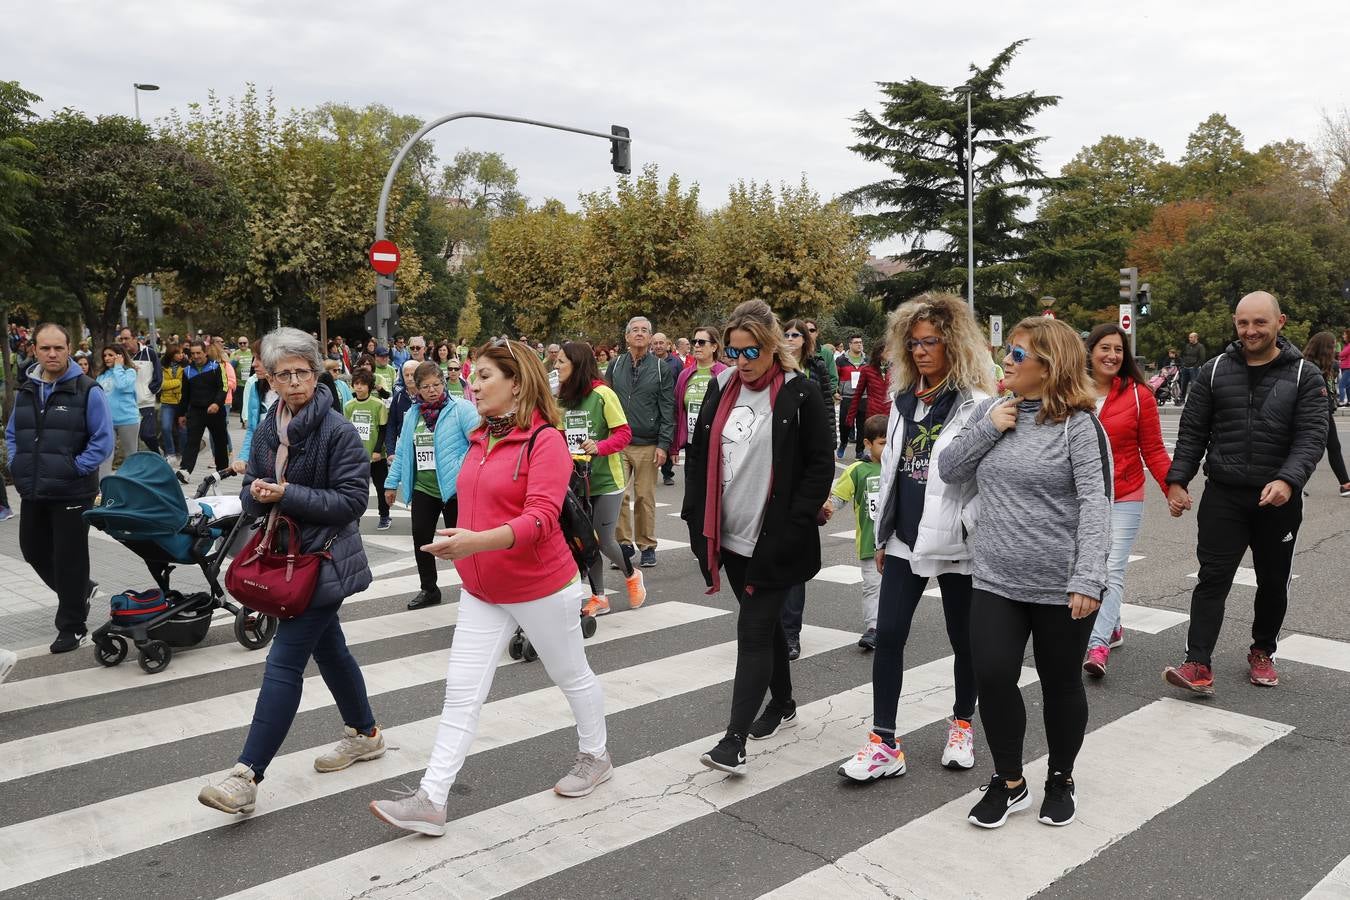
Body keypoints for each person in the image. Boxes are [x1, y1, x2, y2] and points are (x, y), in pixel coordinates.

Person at [369, 338, 612, 836]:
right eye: (470, 376)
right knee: (461, 694)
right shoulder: (479, 437)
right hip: (483, 590)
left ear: (516, 383)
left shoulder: (545, 441)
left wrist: (477, 542)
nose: (471, 384)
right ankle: (431, 799)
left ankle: (595, 755)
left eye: (483, 376)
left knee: (570, 675)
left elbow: (543, 519)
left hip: (542, 586)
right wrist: (466, 545)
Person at [197, 327, 383, 815]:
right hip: (283, 556)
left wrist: (287, 496)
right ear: (271, 380)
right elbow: (251, 490)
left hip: (323, 559)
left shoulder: (337, 431)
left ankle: (246, 774)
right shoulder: (266, 427)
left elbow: (351, 502)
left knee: (284, 662)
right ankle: (365, 732)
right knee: (332, 650)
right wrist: (254, 498)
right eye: (285, 374)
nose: (295, 382)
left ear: (316, 374)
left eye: (303, 372)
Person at [938, 315, 1111, 828]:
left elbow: (1095, 503)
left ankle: (1061, 777)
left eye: (1016, 355)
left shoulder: (1080, 423)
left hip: (1060, 585)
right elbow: (949, 469)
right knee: (992, 676)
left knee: (1061, 685)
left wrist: (1088, 578)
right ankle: (1010, 781)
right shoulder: (993, 410)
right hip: (994, 576)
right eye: (1006, 351)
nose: (1005, 362)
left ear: (1048, 366)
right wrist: (988, 431)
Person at [839, 293, 995, 784]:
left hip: (955, 543)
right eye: (914, 343)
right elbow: (890, 470)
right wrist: (883, 533)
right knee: (889, 636)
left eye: (931, 341)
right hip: (906, 538)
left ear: (954, 344)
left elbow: (983, 479)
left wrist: (969, 526)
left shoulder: (977, 405)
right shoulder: (903, 401)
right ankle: (885, 741)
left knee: (963, 640)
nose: (922, 350)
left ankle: (962, 724)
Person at [682, 300, 833, 775]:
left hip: (774, 537)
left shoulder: (801, 393)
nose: (741, 362)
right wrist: (694, 516)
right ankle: (783, 701)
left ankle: (733, 741)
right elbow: (702, 449)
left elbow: (819, 465)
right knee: (763, 625)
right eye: (733, 352)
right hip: (727, 532)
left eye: (751, 353)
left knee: (751, 633)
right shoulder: (722, 384)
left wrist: (797, 522)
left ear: (771, 349)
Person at [1162, 292, 1331, 695]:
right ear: (1235, 324)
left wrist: (1289, 480)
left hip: (1279, 499)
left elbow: (1312, 437)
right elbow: (1192, 432)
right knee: (1212, 577)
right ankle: (1197, 663)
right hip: (1224, 495)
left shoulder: (1304, 375)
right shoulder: (1215, 369)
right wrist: (1177, 480)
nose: (1251, 331)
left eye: (1260, 322)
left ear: (1280, 322)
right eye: (1243, 323)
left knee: (1273, 581)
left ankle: (1262, 650)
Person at [5, 323, 113, 653]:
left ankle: (72, 625)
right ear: (34, 350)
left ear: (69, 349)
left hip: (71, 490)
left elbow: (103, 439)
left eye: (59, 348)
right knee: (32, 549)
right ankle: (80, 590)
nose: (53, 354)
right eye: (45, 348)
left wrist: (74, 468)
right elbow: (13, 433)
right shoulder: (26, 390)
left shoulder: (87, 389)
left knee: (70, 559)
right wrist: (17, 463)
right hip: (34, 487)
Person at [1081, 324, 1173, 679]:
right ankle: (1113, 623)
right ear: (1090, 351)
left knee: (1111, 568)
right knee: (1086, 565)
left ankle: (1098, 644)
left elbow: (1152, 449)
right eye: (1105, 348)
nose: (1112, 356)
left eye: (1118, 350)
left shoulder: (1139, 395)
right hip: (1082, 497)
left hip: (1125, 493)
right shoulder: (1072, 391)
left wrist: (1172, 488)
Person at [555, 341, 646, 616]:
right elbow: (559, 436)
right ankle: (599, 597)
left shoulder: (603, 394)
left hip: (607, 480)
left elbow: (623, 433)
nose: (556, 366)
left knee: (603, 540)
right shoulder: (562, 398)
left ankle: (632, 574)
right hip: (576, 482)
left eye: (561, 361)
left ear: (577, 365)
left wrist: (599, 446)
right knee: (586, 540)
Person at [384, 361, 478, 610]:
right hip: (424, 488)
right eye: (425, 386)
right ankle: (429, 589)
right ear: (416, 389)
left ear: (444, 382)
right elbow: (404, 450)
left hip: (456, 489)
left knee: (463, 543)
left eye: (436, 384)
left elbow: (480, 443)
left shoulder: (462, 409)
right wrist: (391, 483)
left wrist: (460, 465)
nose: (432, 390)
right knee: (421, 539)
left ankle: (475, 587)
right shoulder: (413, 414)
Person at [778, 318, 839, 659]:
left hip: (805, 465)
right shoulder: (770, 372)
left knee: (795, 557)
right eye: (785, 334)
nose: (790, 339)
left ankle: (790, 633)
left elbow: (826, 411)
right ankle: (770, 628)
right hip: (775, 470)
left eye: (796, 334)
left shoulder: (815, 369)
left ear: (806, 340)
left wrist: (829, 447)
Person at [607, 316, 675, 569]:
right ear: (626, 337)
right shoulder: (614, 366)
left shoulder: (661, 368)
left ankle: (647, 546)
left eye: (644, 330)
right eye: (634, 330)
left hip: (648, 443)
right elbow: (606, 401)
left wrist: (663, 444)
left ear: (650, 338)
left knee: (645, 496)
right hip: (619, 442)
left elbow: (668, 408)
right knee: (618, 497)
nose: (639, 334)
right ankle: (623, 545)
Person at [821, 414, 889, 651]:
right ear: (868, 444)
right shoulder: (858, 470)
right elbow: (838, 497)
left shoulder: (901, 467)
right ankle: (873, 628)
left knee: (894, 587)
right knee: (873, 585)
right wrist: (827, 509)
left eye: (892, 442)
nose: (888, 448)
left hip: (900, 541)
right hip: (871, 542)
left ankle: (890, 623)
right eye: (882, 443)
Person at [1301, 332, 1350, 497]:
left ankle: (1345, 484)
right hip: (1312, 413)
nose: (1335, 349)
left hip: (1324, 411)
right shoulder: (1308, 367)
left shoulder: (1328, 366)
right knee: (1313, 449)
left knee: (1332, 447)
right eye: (1333, 346)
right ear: (1325, 348)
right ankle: (1345, 484)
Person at [175, 340, 231, 484]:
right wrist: (181, 414)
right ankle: (185, 471)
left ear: (205, 352)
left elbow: (223, 387)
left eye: (198, 353)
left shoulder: (216, 367)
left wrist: (217, 403)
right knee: (192, 441)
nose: (196, 356)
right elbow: (184, 394)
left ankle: (222, 470)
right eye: (193, 353)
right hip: (196, 412)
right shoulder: (187, 371)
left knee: (220, 441)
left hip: (215, 411)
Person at [672, 326, 726, 464]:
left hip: (717, 443)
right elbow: (677, 412)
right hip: (691, 443)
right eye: (694, 341)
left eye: (701, 342)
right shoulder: (684, 375)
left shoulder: (725, 373)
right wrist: (674, 447)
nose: (696, 345)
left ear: (714, 347)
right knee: (691, 485)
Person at [345, 370, 392, 529]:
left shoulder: (378, 404)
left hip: (377, 455)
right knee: (356, 489)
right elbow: (346, 431)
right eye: (356, 384)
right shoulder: (349, 406)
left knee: (380, 487)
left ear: (370, 386)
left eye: (363, 384)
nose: (359, 387)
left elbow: (383, 429)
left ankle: (385, 516)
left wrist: (378, 450)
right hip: (357, 456)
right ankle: (354, 518)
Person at [96, 344, 140, 475]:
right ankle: (102, 487)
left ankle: (133, 483)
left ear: (120, 356)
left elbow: (122, 385)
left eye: (110, 355)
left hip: (128, 419)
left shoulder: (130, 372)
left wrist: (118, 367)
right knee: (105, 455)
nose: (106, 358)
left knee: (131, 455)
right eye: (105, 355)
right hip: (107, 421)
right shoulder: (101, 375)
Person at [118, 326, 163, 454]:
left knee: (147, 435)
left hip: (146, 402)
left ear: (135, 338)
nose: (123, 341)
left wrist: (149, 392)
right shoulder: (120, 357)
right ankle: (138, 468)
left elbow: (159, 377)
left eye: (126, 338)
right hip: (128, 405)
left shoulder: (149, 353)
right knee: (132, 442)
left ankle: (158, 455)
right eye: (121, 339)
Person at [846, 339, 892, 460]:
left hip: (891, 413)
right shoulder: (867, 370)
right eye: (888, 351)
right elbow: (857, 395)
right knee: (876, 444)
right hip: (874, 414)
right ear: (879, 352)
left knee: (890, 444)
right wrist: (850, 417)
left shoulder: (895, 369)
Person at [233, 355, 275, 475]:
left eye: (260, 359)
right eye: (254, 359)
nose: (253, 364)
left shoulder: (291, 391)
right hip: (262, 462)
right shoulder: (255, 387)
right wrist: (243, 458)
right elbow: (252, 429)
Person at [650, 333, 683, 485]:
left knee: (667, 438)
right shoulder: (648, 361)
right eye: (655, 343)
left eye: (661, 343)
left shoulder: (675, 362)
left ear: (667, 344)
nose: (658, 346)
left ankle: (667, 473)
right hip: (652, 406)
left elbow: (681, 383)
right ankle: (650, 470)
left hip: (670, 405)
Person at [384, 359, 422, 480]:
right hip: (405, 447)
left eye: (413, 374)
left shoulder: (428, 395)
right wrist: (390, 451)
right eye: (407, 375)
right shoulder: (398, 397)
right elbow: (391, 425)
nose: (410, 378)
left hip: (424, 446)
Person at [835, 334, 867, 459]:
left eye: (860, 342)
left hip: (864, 397)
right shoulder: (841, 360)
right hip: (847, 396)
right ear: (850, 344)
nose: (859, 344)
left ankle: (860, 451)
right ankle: (843, 442)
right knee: (845, 424)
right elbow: (834, 377)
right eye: (856, 342)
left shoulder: (867, 360)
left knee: (862, 426)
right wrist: (835, 391)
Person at [158, 343, 186, 465]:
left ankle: (184, 454)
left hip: (181, 401)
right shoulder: (162, 366)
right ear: (171, 354)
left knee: (183, 429)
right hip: (167, 402)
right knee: (165, 427)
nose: (181, 355)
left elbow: (185, 384)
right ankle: (170, 453)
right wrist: (177, 383)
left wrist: (173, 384)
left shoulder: (186, 366)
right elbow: (162, 385)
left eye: (182, 353)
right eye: (178, 353)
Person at [1178, 331, 1207, 402]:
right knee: (1183, 384)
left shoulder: (1200, 346)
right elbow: (1183, 355)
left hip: (1194, 369)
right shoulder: (1187, 346)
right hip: (1185, 368)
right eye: (1189, 337)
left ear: (1196, 338)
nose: (1189, 339)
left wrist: (1195, 367)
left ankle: (1194, 400)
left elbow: (1202, 358)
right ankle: (1182, 399)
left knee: (1194, 385)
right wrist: (1183, 364)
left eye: (1191, 337)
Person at [1338, 328, 1350, 407]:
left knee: (1341, 385)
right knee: (1348, 385)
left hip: (1348, 367)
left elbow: (1341, 354)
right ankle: (1349, 401)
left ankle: (1341, 401)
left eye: (1344, 334)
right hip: (1344, 367)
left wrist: (1342, 357)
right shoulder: (1346, 345)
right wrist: (1343, 357)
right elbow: (1342, 356)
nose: (1343, 336)